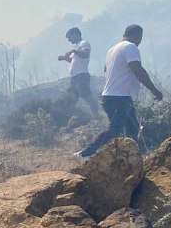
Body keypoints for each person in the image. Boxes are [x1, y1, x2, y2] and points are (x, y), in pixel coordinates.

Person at [77, 24, 163, 158]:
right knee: (115, 129)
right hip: (119, 97)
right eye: (140, 38)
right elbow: (137, 69)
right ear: (137, 36)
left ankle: (133, 159)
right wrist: (153, 89)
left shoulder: (112, 50)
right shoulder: (130, 47)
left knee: (132, 129)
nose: (140, 42)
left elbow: (106, 70)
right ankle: (85, 154)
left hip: (116, 96)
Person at [58, 27, 99, 116]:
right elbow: (73, 61)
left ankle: (96, 115)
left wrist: (73, 51)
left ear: (75, 34)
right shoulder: (77, 47)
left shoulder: (84, 43)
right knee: (71, 97)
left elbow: (85, 54)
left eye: (69, 37)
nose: (69, 40)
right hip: (75, 77)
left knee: (86, 95)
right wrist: (64, 58)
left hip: (82, 75)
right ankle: (73, 117)